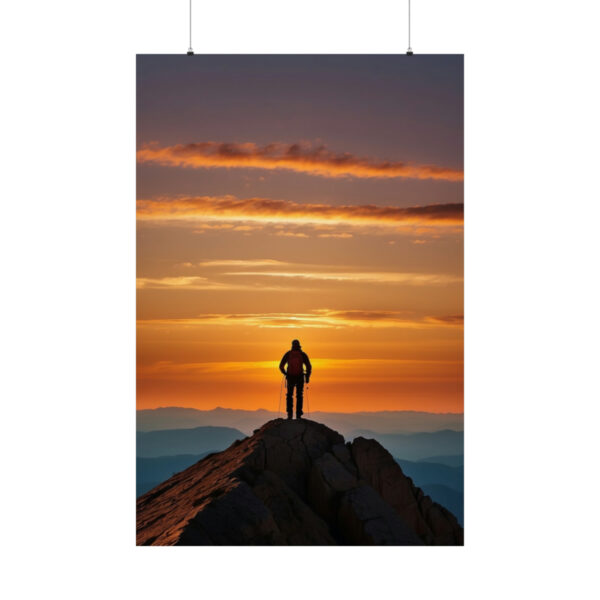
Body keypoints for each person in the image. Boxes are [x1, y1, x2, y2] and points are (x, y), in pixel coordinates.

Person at [279, 339, 312, 420]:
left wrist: (285, 373)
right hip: (300, 377)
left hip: (290, 377)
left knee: (289, 395)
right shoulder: (302, 354)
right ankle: (298, 415)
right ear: (299, 346)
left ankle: (289, 414)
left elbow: (280, 366)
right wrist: (307, 377)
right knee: (299, 395)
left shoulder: (288, 354)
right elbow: (309, 366)